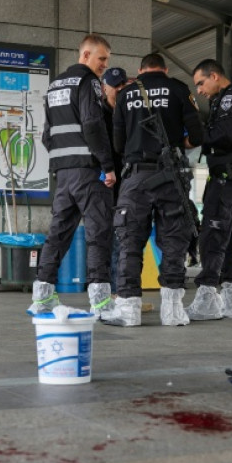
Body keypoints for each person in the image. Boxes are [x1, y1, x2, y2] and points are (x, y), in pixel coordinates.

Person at [99, 53, 203, 326]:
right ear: (165, 69)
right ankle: (172, 310)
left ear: (140, 69)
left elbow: (119, 144)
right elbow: (198, 135)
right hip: (171, 176)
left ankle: (129, 310)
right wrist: (178, 144)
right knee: (173, 243)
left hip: (135, 177)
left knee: (130, 243)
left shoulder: (126, 94)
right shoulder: (179, 89)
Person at [27, 34, 117, 315]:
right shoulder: (88, 82)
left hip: (63, 173)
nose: (103, 65)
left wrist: (61, 158)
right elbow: (92, 124)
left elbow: (46, 134)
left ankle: (42, 296)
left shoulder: (55, 86)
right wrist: (108, 164)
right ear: (86, 55)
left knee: (58, 233)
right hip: (89, 171)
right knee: (98, 232)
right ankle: (101, 301)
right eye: (101, 58)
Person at [184, 59, 232, 320]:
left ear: (214, 76)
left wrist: (194, 138)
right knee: (230, 236)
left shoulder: (231, 98)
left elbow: (226, 135)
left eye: (201, 83)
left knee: (212, 234)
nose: (199, 90)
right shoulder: (228, 97)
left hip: (229, 174)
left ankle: (206, 299)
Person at [101, 66, 131, 293]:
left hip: (128, 185)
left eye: (123, 85)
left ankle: (122, 289)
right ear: (104, 88)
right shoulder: (97, 113)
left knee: (124, 238)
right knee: (109, 239)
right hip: (105, 185)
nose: (120, 89)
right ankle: (111, 290)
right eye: (115, 86)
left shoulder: (130, 111)